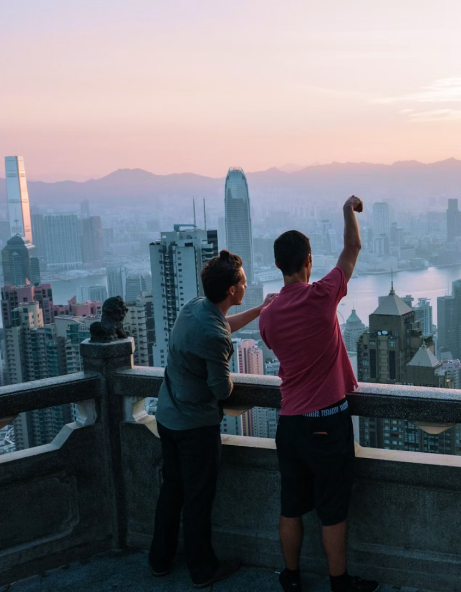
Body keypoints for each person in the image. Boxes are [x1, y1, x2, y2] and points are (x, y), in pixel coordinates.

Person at [260, 196, 378, 592]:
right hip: (328, 421)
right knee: (331, 510)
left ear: (279, 265)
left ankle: (291, 578)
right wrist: (348, 210)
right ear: (308, 261)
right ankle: (339, 584)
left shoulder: (268, 315)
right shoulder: (322, 296)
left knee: (291, 506)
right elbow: (353, 248)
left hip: (289, 423)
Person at [149, 250, 276, 588]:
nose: (247, 284)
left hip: (168, 415)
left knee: (172, 490)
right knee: (198, 498)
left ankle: (159, 559)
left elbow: (221, 325)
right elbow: (222, 389)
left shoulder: (194, 308)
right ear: (232, 291)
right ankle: (203, 569)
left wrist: (261, 310)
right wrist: (230, 366)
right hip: (194, 427)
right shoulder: (213, 336)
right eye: (244, 281)